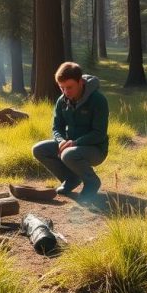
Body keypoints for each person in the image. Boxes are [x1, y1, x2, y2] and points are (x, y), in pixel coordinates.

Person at [32, 62, 109, 201]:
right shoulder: (62, 101)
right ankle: (71, 179)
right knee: (38, 149)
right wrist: (61, 141)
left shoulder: (98, 100)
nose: (65, 92)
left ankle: (92, 182)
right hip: (71, 146)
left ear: (80, 82)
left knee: (68, 154)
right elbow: (56, 127)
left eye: (69, 87)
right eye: (62, 88)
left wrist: (74, 143)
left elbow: (99, 133)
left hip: (96, 149)